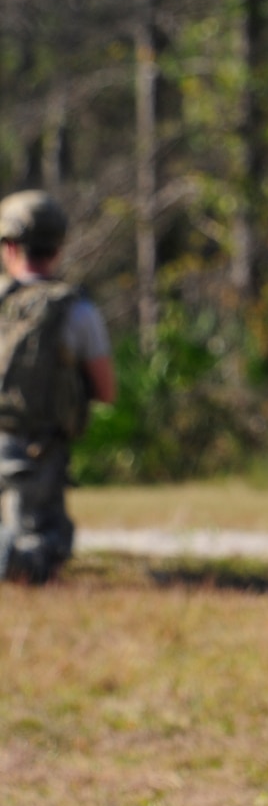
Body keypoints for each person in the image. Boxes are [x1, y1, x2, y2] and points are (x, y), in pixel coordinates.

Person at [0, 190, 115, 584]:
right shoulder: (76, 310)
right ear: (58, 247)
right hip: (38, 451)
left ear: (9, 246)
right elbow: (107, 390)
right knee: (47, 544)